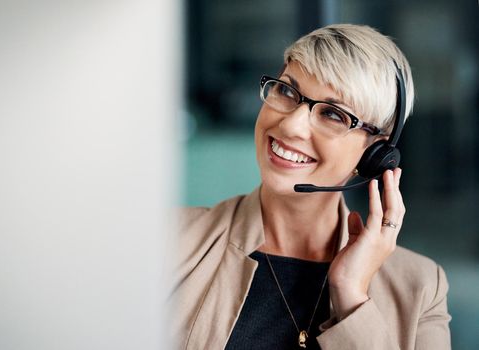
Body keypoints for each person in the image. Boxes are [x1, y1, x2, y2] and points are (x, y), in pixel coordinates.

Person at [169, 24, 451, 350]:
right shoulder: (170, 241)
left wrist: (351, 296)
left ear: (376, 152)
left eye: (333, 114)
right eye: (287, 92)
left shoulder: (421, 287)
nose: (290, 125)